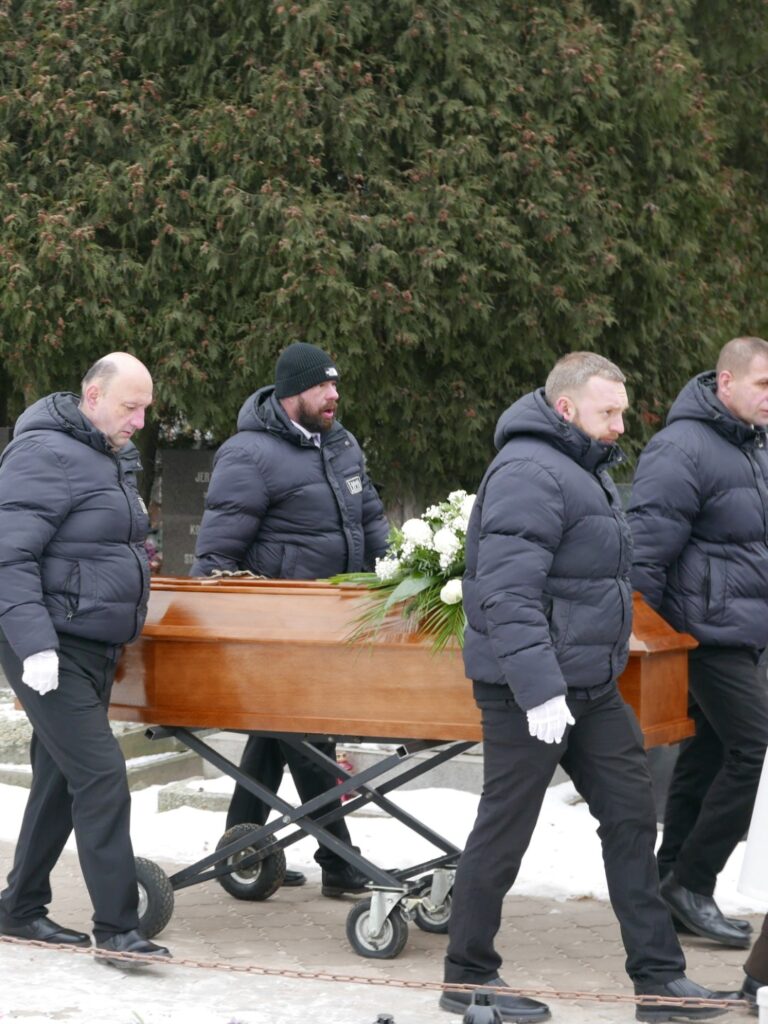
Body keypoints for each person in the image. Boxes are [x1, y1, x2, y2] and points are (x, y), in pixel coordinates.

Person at [440, 352, 724, 1023]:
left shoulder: (581, 467)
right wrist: (540, 690)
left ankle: (659, 981)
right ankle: (468, 975)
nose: (622, 425)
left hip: (591, 687)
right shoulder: (528, 471)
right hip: (527, 691)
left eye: (622, 411)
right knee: (505, 828)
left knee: (631, 817)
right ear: (566, 408)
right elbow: (507, 594)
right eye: (609, 412)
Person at [191, 341, 389, 895]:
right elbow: (217, 556)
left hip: (331, 624)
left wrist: (396, 577)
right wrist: (217, 635)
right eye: (322, 386)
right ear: (292, 393)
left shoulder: (341, 443)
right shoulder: (248, 454)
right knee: (305, 738)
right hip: (276, 630)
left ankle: (240, 853)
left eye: (335, 384)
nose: (333, 395)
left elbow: (371, 520)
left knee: (275, 735)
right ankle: (341, 862)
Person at [0, 352, 171, 967]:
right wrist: (35, 645)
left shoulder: (107, 456)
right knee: (101, 776)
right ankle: (119, 930)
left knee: (58, 778)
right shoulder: (43, 453)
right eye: (131, 407)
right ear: (92, 397)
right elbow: (9, 556)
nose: (140, 421)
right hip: (51, 645)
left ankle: (19, 908)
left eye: (146, 408)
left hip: (93, 643)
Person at [628, 336, 768, 949]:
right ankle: (692, 881)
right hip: (702, 633)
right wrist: (651, 640)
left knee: (709, 753)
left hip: (742, 629)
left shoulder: (753, 445)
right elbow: (645, 552)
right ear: (727, 382)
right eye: (763, 384)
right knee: (755, 747)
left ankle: (672, 884)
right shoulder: (681, 447)